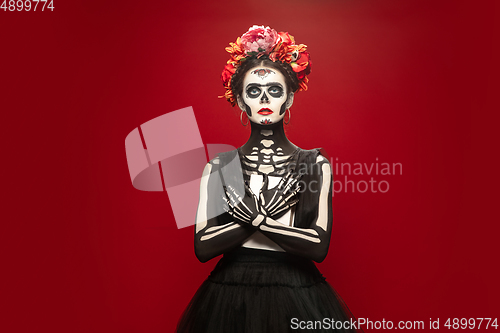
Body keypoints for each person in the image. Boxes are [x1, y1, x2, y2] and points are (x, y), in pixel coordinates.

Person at [176, 25, 360, 333]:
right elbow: (203, 247)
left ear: (289, 98)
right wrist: (265, 216)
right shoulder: (222, 166)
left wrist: (259, 220)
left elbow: (318, 247)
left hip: (297, 291)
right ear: (239, 98)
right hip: (230, 295)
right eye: (253, 90)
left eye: (274, 90)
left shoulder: (313, 164)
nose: (264, 98)